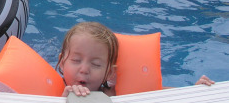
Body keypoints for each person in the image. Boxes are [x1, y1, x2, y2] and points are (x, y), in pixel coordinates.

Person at [55, 22, 215, 97]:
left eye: (96, 64)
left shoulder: (114, 93)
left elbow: (159, 92)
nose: (84, 69)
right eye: (76, 60)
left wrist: (194, 91)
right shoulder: (50, 93)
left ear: (110, 72)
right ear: (62, 63)